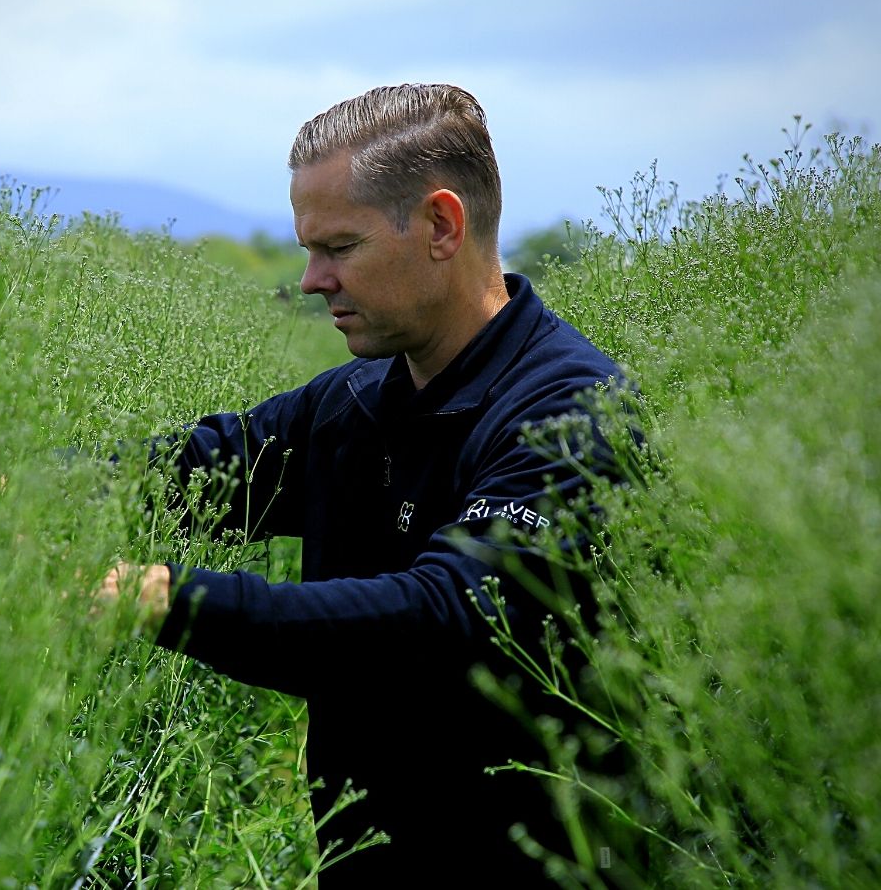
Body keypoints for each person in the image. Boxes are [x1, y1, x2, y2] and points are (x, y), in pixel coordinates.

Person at [98, 83, 624, 886]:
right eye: (309, 248)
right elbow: (200, 469)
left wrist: (166, 599)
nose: (311, 281)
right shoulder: (358, 398)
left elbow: (442, 619)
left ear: (443, 227)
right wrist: (3, 487)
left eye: (339, 248)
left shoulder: (569, 413)